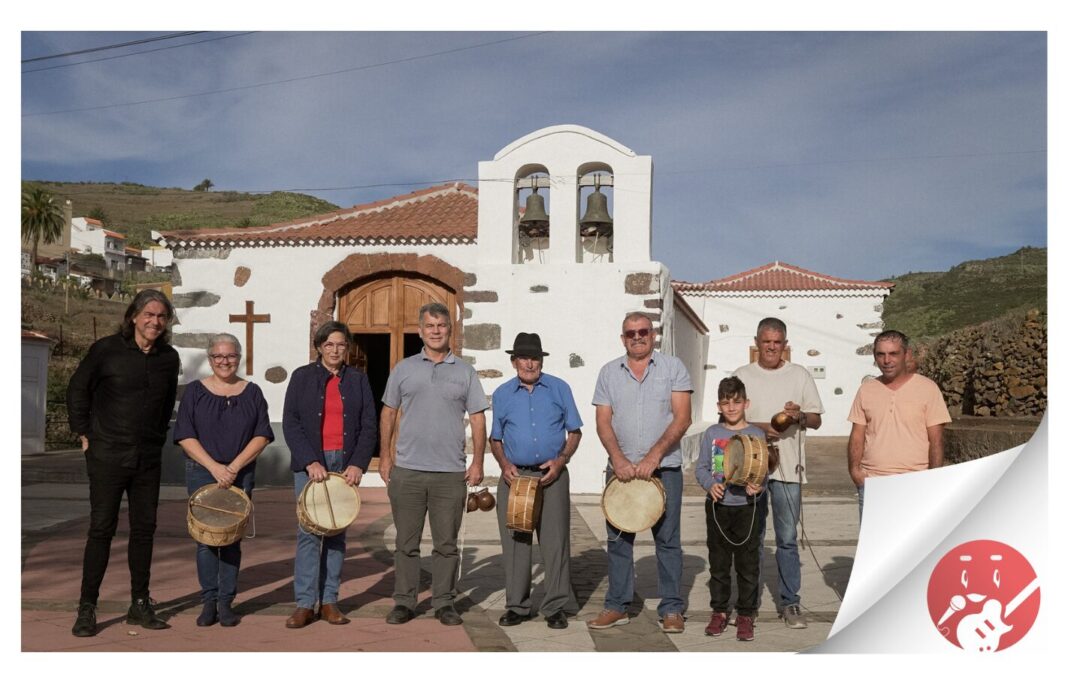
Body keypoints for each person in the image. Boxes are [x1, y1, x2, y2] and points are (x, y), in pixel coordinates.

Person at [66, 289, 180, 637]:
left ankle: (140, 603)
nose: (154, 322)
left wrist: (157, 438)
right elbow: (76, 390)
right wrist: (84, 434)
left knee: (144, 531)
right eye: (149, 314)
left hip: (147, 458)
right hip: (107, 455)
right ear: (133, 316)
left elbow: (164, 405)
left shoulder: (169, 358)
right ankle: (87, 607)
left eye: (161, 316)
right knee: (101, 529)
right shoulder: (106, 350)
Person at [379, 302, 488, 626]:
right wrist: (385, 456)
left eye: (442, 325)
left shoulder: (465, 372)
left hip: (450, 474)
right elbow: (388, 412)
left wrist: (478, 460)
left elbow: (478, 418)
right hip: (408, 471)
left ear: (449, 330)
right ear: (420, 330)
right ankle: (404, 601)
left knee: (446, 545)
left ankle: (443, 602)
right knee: (406, 543)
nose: (436, 331)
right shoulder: (404, 369)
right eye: (430, 326)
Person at [588, 312, 693, 633]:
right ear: (623, 338)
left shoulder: (673, 368)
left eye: (643, 331)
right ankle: (617, 605)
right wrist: (618, 459)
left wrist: (653, 457)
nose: (637, 336)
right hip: (620, 471)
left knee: (668, 541)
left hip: (664, 470)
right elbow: (603, 421)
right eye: (630, 333)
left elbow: (682, 418)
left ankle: (672, 608)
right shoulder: (608, 372)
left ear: (653, 334)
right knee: (618, 539)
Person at [174, 333, 273, 627]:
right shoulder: (194, 392)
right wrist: (215, 467)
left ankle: (226, 602)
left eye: (230, 356)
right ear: (209, 359)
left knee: (231, 540)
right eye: (218, 356)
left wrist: (233, 467)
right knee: (205, 541)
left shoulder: (252, 392)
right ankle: (208, 602)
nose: (224, 361)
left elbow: (263, 434)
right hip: (202, 472)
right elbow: (184, 435)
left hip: (240, 473)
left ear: (238, 358)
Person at [282, 321, 377, 628]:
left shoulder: (358, 380)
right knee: (309, 533)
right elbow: (291, 423)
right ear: (319, 347)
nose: (335, 350)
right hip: (312, 465)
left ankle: (330, 602)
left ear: (347, 348)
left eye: (341, 345)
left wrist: (358, 464)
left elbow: (368, 425)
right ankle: (305, 604)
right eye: (329, 345)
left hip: (344, 463)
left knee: (336, 534)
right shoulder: (302, 377)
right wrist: (310, 460)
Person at [734, 317, 823, 629]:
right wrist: (763, 429)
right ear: (757, 342)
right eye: (766, 341)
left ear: (785, 344)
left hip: (788, 470)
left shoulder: (799, 374)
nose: (772, 347)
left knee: (786, 538)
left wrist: (797, 416)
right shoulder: (741, 375)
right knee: (751, 539)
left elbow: (816, 420)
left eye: (777, 342)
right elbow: (728, 418)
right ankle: (748, 604)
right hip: (751, 469)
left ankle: (790, 602)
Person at [490, 333, 582, 630]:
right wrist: (504, 465)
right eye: (524, 358)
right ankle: (517, 605)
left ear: (541, 360)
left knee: (555, 543)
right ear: (514, 361)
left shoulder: (559, 388)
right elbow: (496, 438)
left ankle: (555, 605)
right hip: (516, 476)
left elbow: (575, 432)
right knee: (516, 542)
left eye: (535, 358)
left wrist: (561, 460)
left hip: (552, 476)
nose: (529, 364)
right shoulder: (502, 393)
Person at [847, 330, 951, 518]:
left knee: (916, 546)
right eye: (881, 354)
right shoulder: (866, 390)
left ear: (907, 354)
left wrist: (933, 479)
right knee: (875, 546)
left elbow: (936, 440)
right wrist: (855, 471)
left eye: (893, 354)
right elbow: (857, 435)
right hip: (873, 484)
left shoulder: (928, 388)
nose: (887, 360)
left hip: (915, 483)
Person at [695, 377, 767, 641]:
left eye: (737, 402)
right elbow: (701, 468)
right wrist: (709, 486)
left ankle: (746, 613)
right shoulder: (712, 434)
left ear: (746, 403)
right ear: (718, 405)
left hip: (747, 507)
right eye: (726, 403)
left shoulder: (757, 435)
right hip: (718, 507)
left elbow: (763, 473)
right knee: (719, 563)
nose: (732, 407)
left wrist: (758, 487)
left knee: (748, 564)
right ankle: (720, 611)